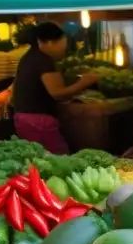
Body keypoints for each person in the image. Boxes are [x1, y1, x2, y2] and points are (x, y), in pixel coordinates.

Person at [12, 22, 98, 153]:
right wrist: (84, 82)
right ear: (50, 42)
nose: (64, 48)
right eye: (63, 43)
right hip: (37, 121)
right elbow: (57, 93)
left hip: (23, 119)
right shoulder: (43, 60)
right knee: (59, 157)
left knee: (39, 159)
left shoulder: (30, 56)